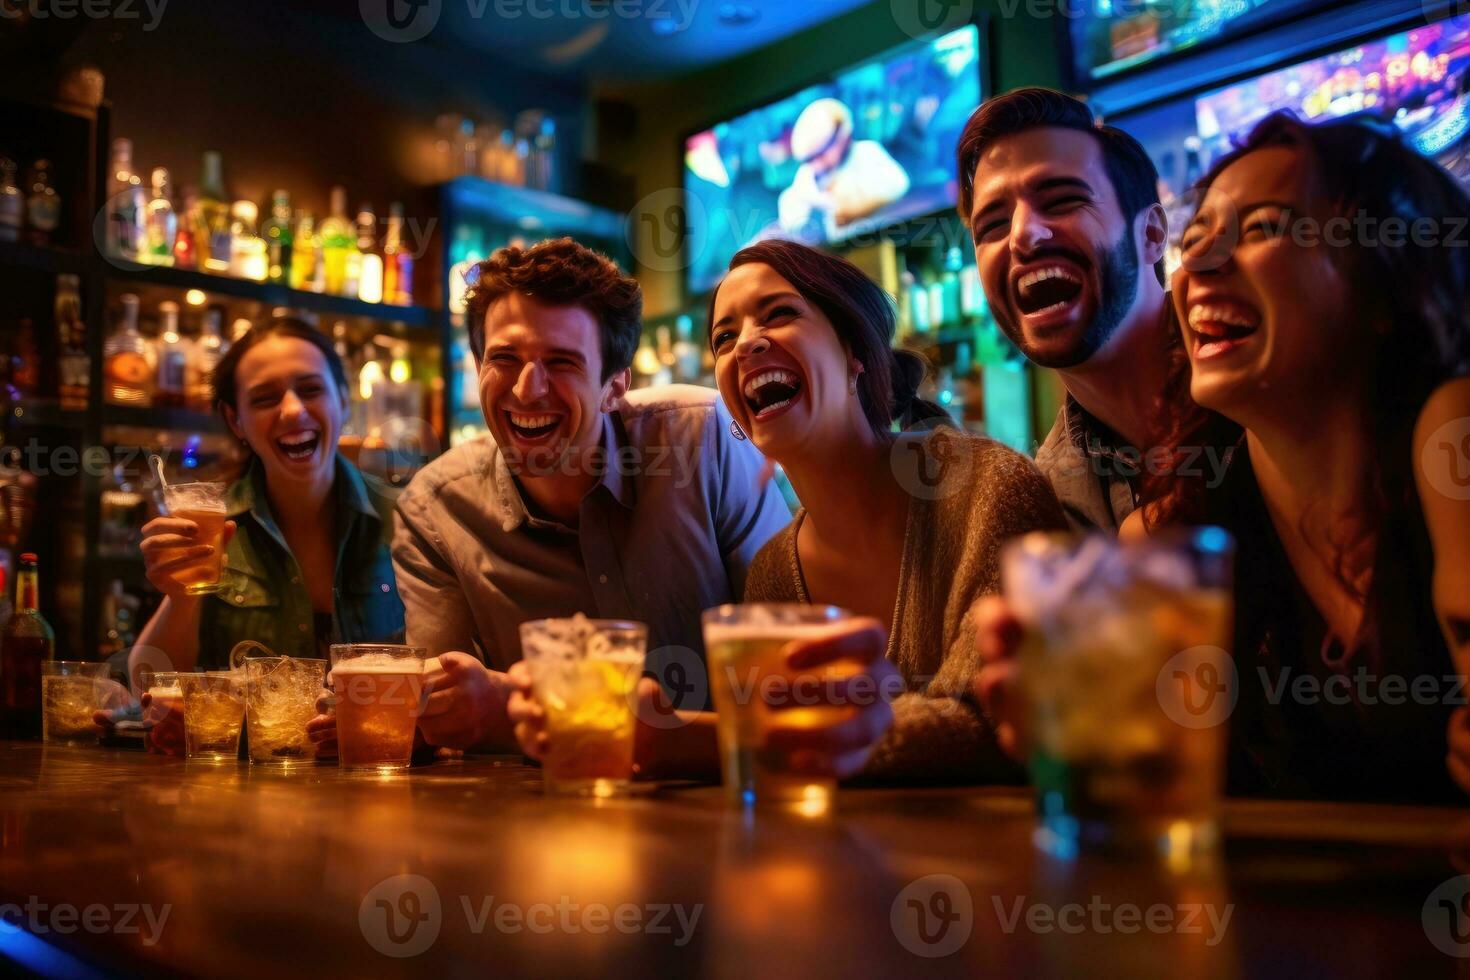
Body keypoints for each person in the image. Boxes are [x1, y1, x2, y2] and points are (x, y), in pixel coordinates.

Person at [1117, 113, 1470, 802]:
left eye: (1262, 229)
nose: (1201, 267)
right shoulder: (1167, 542)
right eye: (1194, 241)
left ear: (1385, 281)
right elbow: (1150, 796)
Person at [392, 237, 790, 762]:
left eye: (561, 363)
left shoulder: (706, 439)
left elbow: (791, 670)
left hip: (738, 801)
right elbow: (448, 712)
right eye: (504, 359)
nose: (527, 390)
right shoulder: (436, 508)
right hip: (543, 821)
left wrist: (510, 708)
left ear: (614, 387)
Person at [709, 240, 1066, 781]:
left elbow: (1002, 723)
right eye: (723, 338)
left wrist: (843, 736)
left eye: (779, 314)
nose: (745, 346)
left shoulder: (986, 490)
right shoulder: (773, 574)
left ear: (855, 353)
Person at [957, 87, 1201, 532]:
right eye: (991, 225)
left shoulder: (1258, 377)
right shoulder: (1046, 504)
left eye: (1062, 200)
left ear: (1150, 234)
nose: (1022, 236)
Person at [778, 97, 911, 241]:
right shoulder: (806, 177)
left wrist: (835, 204)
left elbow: (899, 184)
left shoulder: (866, 152)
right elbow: (791, 217)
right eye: (811, 158)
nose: (817, 162)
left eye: (823, 152)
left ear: (844, 136)